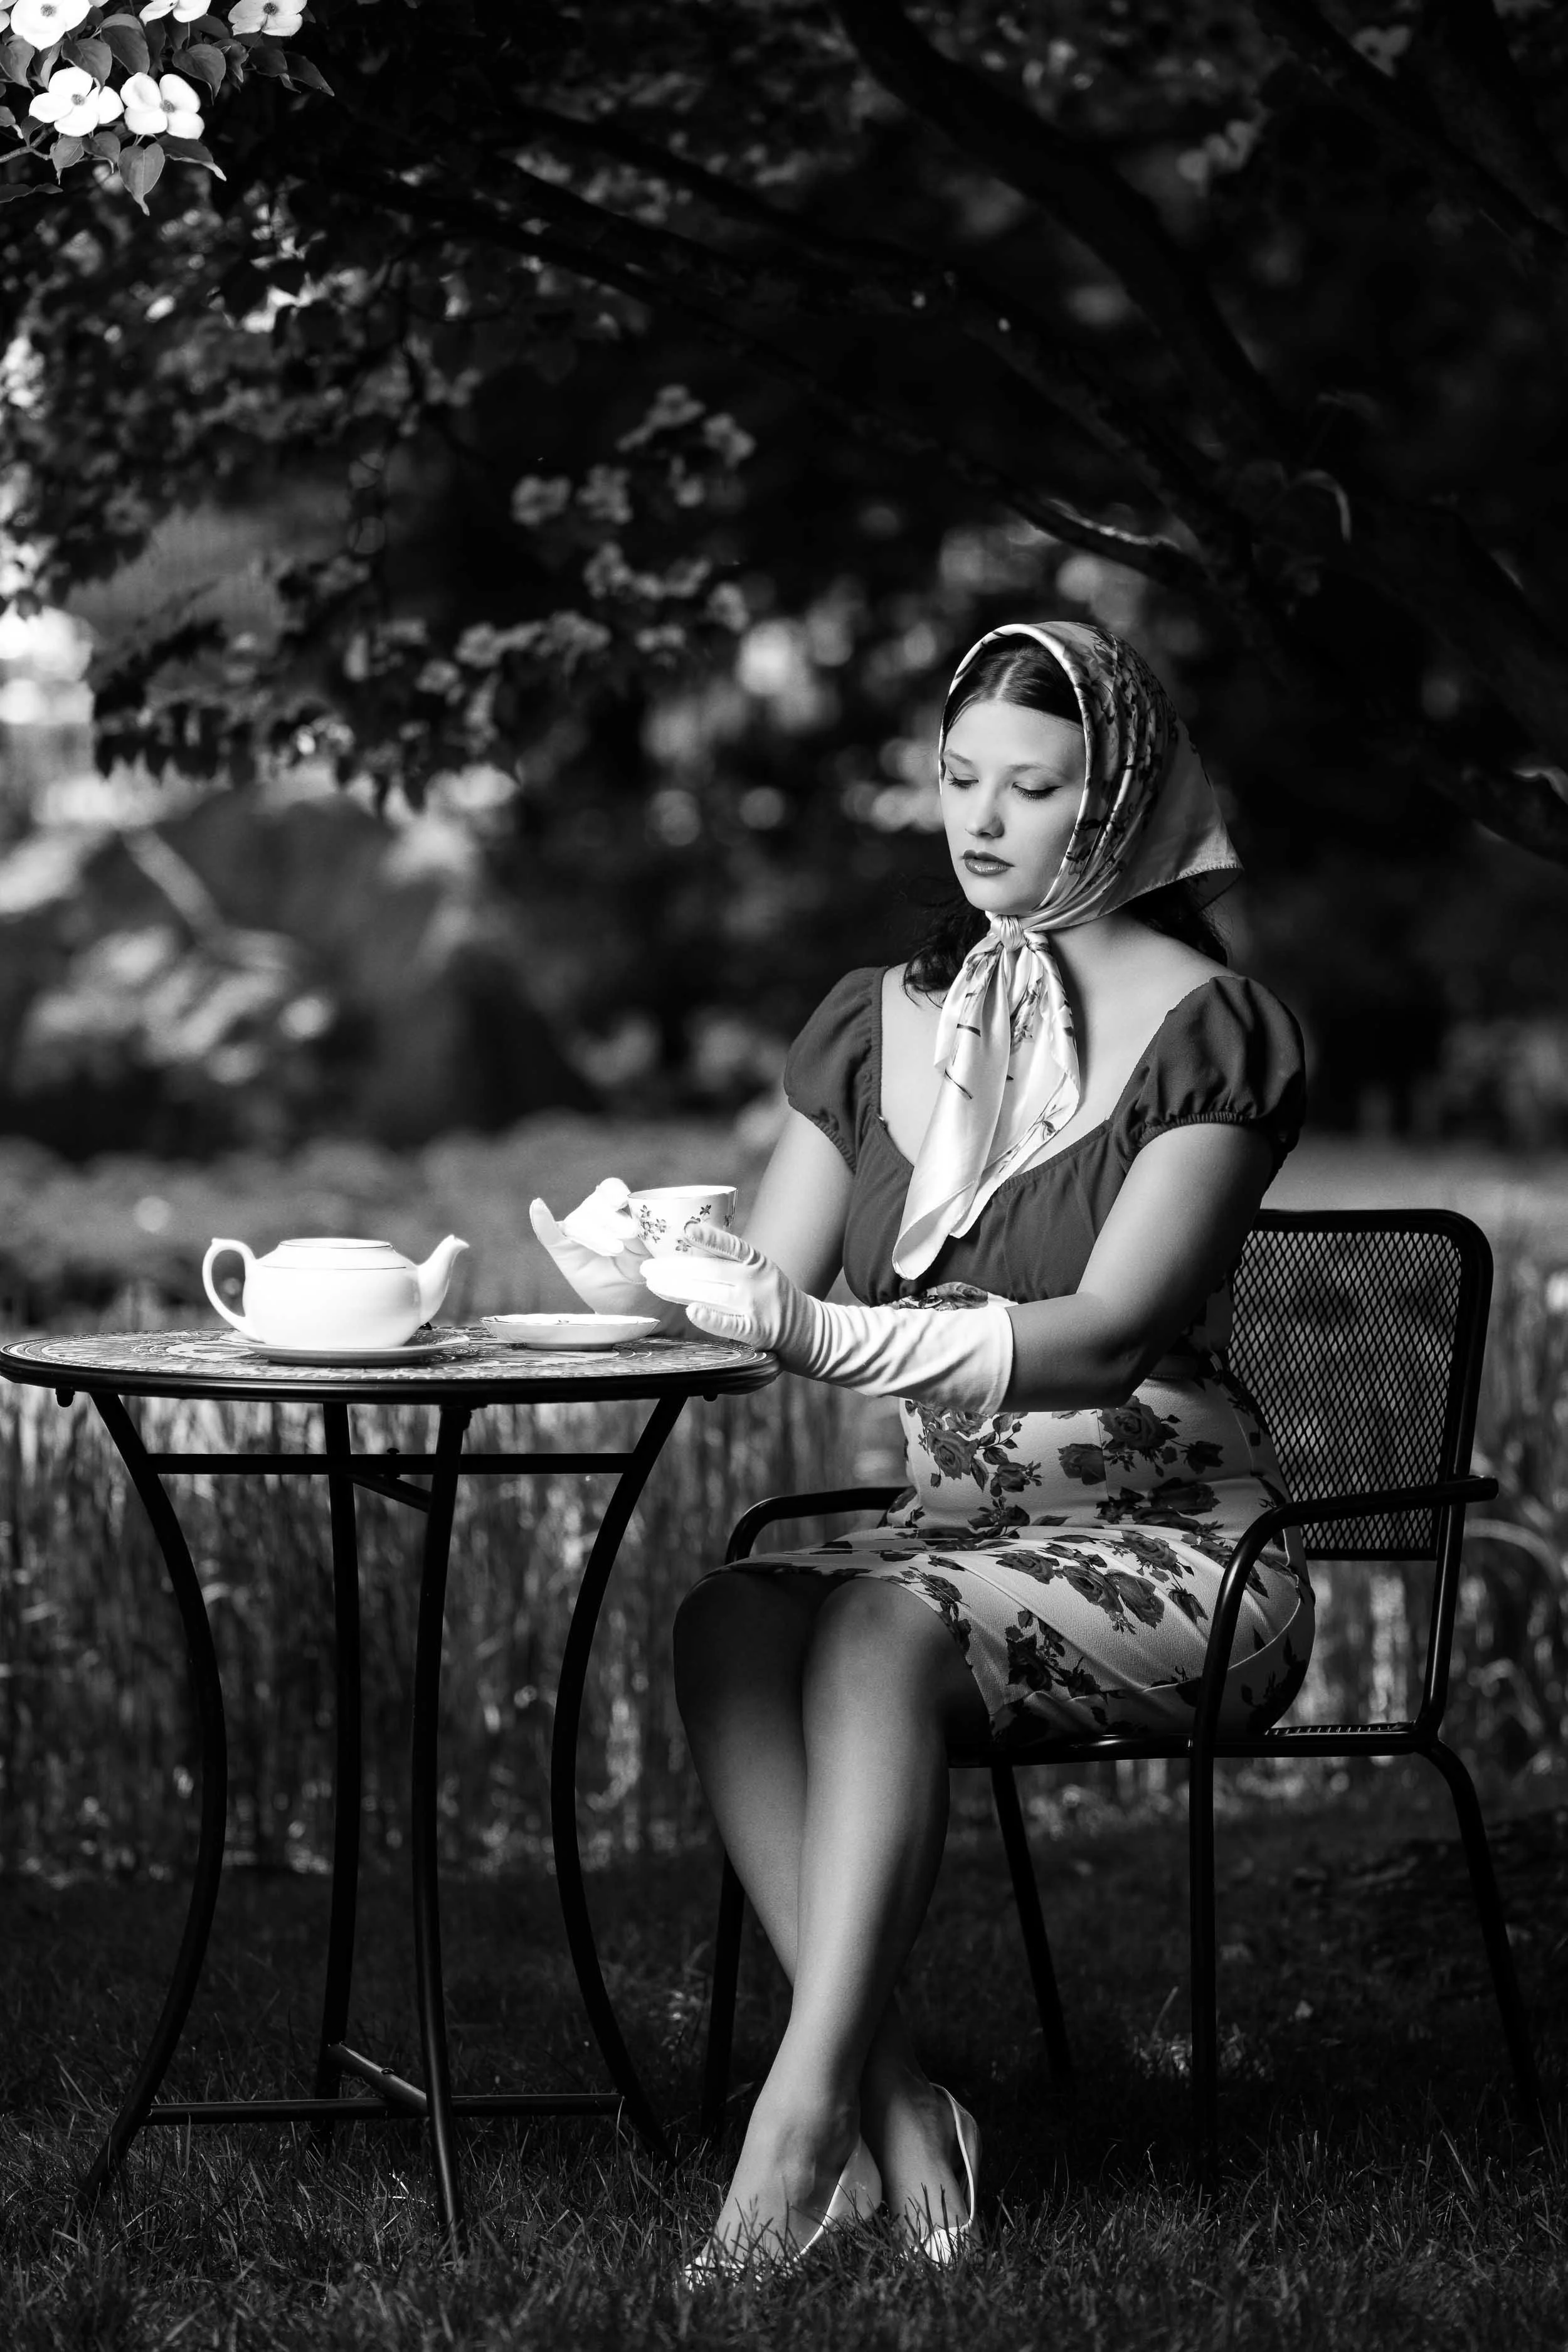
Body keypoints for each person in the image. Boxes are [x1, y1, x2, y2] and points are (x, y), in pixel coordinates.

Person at [535, 619, 1313, 2273]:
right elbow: (772, 1292)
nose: (980, 822)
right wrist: (638, 1267)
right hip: (953, 1538)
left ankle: (795, 2133)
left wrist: (810, 1328)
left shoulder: (1209, 1031)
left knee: (879, 1622)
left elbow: (1105, 1330)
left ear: (1118, 803)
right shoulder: (876, 1022)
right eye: (959, 778)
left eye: (1030, 788)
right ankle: (897, 2108)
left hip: (1178, 1552)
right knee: (731, 1615)